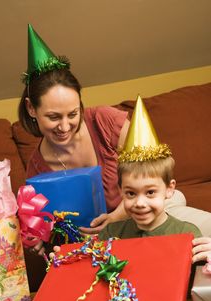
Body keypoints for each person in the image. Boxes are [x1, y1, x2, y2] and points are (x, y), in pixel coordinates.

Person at [20, 25, 211, 257]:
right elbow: (50, 226)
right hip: (104, 238)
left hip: (142, 210)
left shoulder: (104, 120)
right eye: (53, 117)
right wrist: (38, 235)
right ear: (32, 108)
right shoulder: (37, 168)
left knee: (187, 221)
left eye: (72, 114)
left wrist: (118, 215)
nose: (64, 126)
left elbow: (158, 166)